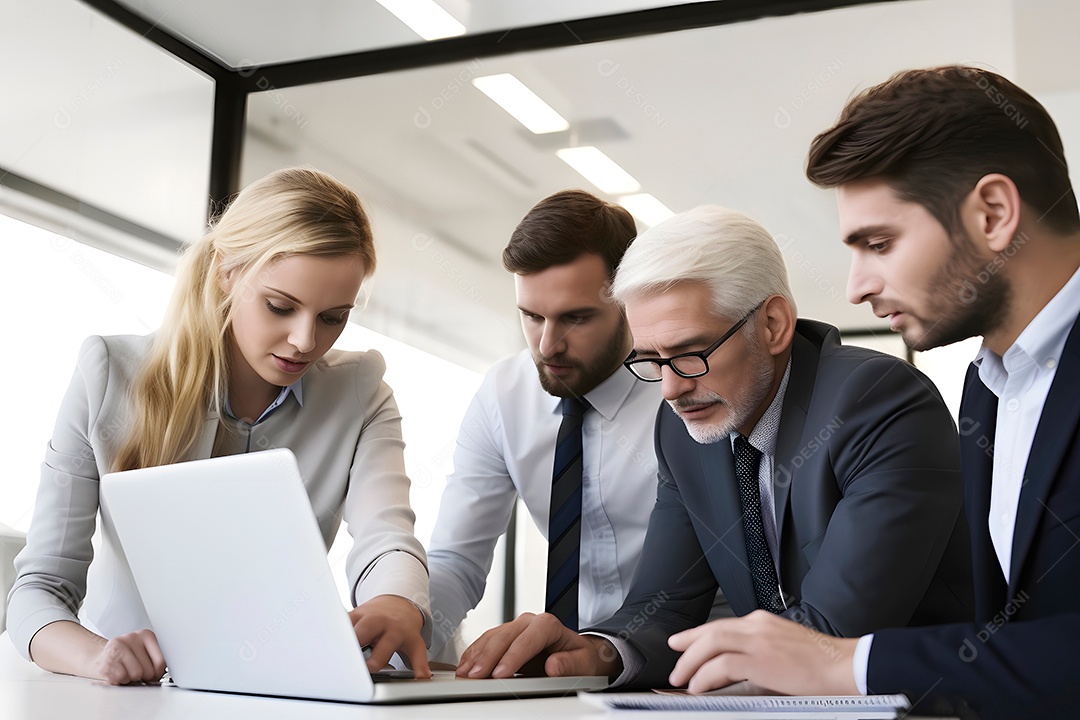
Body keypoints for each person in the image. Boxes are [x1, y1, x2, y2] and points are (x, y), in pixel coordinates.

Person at [647, 66, 1080, 720]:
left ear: (993, 214)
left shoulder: (907, 398)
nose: (856, 288)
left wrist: (844, 664)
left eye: (879, 244)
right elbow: (1016, 646)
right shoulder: (989, 387)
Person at [454, 204, 974, 686]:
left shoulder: (875, 401)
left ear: (773, 325)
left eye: (690, 352)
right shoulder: (684, 433)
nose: (670, 389)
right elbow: (665, 607)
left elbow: (831, 634)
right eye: (650, 360)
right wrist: (600, 651)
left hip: (928, 702)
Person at [7, 167, 432, 684]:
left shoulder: (362, 394)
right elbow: (39, 590)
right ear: (226, 271)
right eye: (280, 306)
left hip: (272, 691)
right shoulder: (108, 374)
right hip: (124, 699)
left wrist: (396, 600)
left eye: (332, 317)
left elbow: (387, 538)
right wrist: (97, 658)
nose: (304, 341)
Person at [427, 190, 726, 661]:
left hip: (701, 664)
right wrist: (404, 623)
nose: (548, 345)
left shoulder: (687, 392)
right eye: (532, 316)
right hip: (573, 664)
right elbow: (456, 559)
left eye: (576, 318)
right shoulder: (504, 395)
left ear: (628, 302)